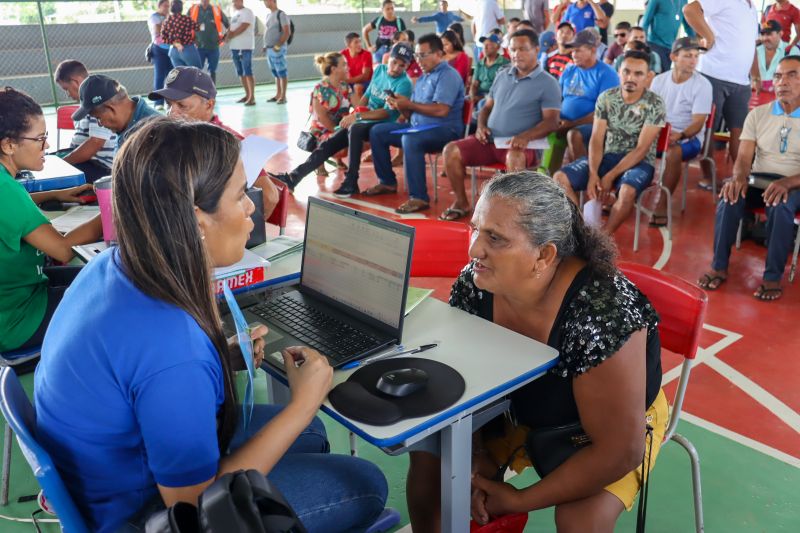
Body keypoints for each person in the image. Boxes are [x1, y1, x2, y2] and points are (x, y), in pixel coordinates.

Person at [33, 117, 388, 533]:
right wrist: (303, 402)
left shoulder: (114, 265)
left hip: (106, 476)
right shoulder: (171, 346)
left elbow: (140, 373)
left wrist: (219, 360)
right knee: (364, 481)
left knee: (310, 432)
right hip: (140, 515)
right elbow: (196, 508)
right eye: (240, 196)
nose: (252, 206)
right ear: (197, 220)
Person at [407, 171, 666, 533]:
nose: (474, 250)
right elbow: (467, 377)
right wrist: (475, 454)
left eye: (495, 238)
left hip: (592, 430)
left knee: (581, 522)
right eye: (475, 229)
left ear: (544, 255)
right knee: (432, 462)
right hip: (516, 405)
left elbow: (619, 451)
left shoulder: (603, 315)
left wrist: (519, 499)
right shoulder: (476, 285)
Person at [0, 87, 102, 354]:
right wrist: (109, 212)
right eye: (40, 139)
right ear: (9, 145)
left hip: (16, 292)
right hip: (16, 319)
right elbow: (63, 250)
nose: (46, 146)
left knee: (96, 276)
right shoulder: (5, 189)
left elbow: (14, 205)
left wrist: (55, 194)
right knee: (110, 295)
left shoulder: (5, 183)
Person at [698, 56, 800, 302]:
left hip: (795, 183)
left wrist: (787, 183)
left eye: (792, 75)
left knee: (780, 204)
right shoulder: (758, 114)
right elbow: (744, 158)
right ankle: (718, 266)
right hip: (760, 179)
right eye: (778, 76)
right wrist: (738, 178)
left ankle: (772, 277)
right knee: (730, 196)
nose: (782, 82)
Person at [441, 29, 561, 221]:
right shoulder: (503, 75)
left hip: (522, 146)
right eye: (513, 49)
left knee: (515, 157)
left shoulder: (548, 83)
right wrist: (481, 126)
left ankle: (514, 216)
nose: (516, 54)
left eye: (523, 49)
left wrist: (525, 137)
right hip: (489, 140)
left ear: (536, 49)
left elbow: (552, 122)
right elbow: (487, 108)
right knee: (450, 150)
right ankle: (461, 202)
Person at [269, 43, 414, 198]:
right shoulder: (379, 70)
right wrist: (357, 113)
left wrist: (356, 117)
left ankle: (351, 180)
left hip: (380, 123)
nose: (396, 68)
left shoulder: (404, 83)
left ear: (407, 66)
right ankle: (293, 178)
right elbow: (367, 96)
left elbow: (385, 113)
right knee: (329, 143)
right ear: (388, 58)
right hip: (362, 120)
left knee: (355, 129)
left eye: (402, 65)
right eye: (394, 62)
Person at [554, 50, 666, 235]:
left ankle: (602, 239)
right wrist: (593, 173)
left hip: (639, 162)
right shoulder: (607, 98)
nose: (631, 78)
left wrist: (609, 177)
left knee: (627, 192)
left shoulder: (655, 104)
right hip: (608, 156)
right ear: (619, 72)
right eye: (626, 71)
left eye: (638, 74)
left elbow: (641, 149)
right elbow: (597, 139)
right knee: (560, 178)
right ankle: (582, 231)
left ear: (648, 77)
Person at [148, 66, 279, 218]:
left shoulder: (232, 143)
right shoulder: (172, 135)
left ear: (209, 105)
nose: (172, 113)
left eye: (182, 106)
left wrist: (228, 228)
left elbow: (269, 196)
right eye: (168, 104)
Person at [366, 33, 465, 214]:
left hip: (444, 130)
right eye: (417, 55)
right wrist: (401, 105)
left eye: (423, 55)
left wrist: (409, 104)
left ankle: (419, 197)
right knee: (378, 131)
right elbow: (411, 114)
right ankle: (387, 182)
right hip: (418, 127)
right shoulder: (423, 78)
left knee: (411, 139)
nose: (418, 60)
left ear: (438, 54)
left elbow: (442, 110)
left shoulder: (448, 75)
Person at [683, 0, 759, 191]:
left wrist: (756, 74)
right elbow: (690, 9)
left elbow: (750, 45)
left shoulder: (752, 8)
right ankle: (708, 177)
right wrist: (708, 37)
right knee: (708, 129)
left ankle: (741, 178)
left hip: (741, 80)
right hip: (713, 74)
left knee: (741, 131)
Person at [650, 37, 713, 225]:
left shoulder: (703, 85)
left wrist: (679, 135)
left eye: (695, 56)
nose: (693, 61)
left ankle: (662, 204)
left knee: (673, 152)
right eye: (687, 56)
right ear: (673, 57)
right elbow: (651, 114)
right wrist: (654, 133)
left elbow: (698, 123)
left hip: (689, 138)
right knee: (628, 142)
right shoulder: (659, 81)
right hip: (659, 133)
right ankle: (622, 193)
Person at [554, 29, 619, 164]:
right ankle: (546, 173)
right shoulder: (569, 70)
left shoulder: (607, 73)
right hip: (565, 123)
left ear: (593, 50)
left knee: (574, 134)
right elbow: (556, 99)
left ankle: (581, 173)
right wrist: (555, 119)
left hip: (596, 125)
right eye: (572, 51)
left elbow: (604, 112)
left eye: (578, 50)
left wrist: (571, 124)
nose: (573, 54)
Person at [53, 60, 117, 183]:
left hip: (100, 166)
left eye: (66, 89)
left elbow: (95, 142)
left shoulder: (97, 100)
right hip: (87, 162)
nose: (67, 94)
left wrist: (64, 163)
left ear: (76, 81)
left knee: (52, 175)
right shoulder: (86, 104)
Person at [72, 75, 161, 152]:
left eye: (98, 118)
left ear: (110, 108)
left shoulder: (154, 130)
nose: (100, 124)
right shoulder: (128, 124)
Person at [307, 52, 352, 178]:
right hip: (323, 129)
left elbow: (358, 104)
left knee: (358, 137)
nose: (347, 68)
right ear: (334, 69)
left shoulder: (345, 86)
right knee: (342, 142)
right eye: (344, 65)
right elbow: (322, 118)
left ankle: (338, 159)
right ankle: (319, 162)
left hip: (340, 125)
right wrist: (338, 132)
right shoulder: (321, 88)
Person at [641, 0, 694, 71]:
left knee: (666, 72)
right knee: (658, 72)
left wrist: (694, 42)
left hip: (671, 47)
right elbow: (645, 22)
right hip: (655, 44)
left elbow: (687, 26)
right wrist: (643, 43)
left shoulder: (683, 1)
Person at [188, 0, 230, 83]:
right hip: (198, 47)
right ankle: (198, 90)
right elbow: (185, 24)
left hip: (214, 47)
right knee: (197, 70)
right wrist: (191, 39)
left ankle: (211, 90)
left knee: (212, 71)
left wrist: (225, 38)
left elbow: (228, 25)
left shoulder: (216, 10)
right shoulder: (192, 9)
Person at [226, 0, 256, 106]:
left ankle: (252, 97)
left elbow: (244, 26)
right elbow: (231, 28)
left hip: (245, 47)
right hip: (234, 47)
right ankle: (247, 95)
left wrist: (231, 35)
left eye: (235, 0)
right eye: (232, 1)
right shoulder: (234, 13)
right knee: (240, 72)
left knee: (247, 71)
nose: (233, 2)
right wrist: (226, 36)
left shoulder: (247, 12)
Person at [470, 32, 510, 109]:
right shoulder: (480, 63)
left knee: (482, 104)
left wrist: (482, 97)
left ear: (497, 47)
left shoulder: (505, 63)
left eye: (489, 45)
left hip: (495, 96)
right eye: (484, 45)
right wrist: (472, 96)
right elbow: (474, 84)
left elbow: (502, 88)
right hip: (479, 93)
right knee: (465, 100)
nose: (485, 47)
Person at [262, 0, 291, 104]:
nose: (264, 2)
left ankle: (283, 96)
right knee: (276, 73)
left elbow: (287, 32)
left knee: (281, 72)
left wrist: (278, 45)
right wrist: (266, 45)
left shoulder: (281, 15)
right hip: (270, 49)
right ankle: (278, 94)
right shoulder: (268, 15)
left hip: (277, 49)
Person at [147, 0, 173, 109]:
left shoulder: (170, 16)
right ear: (159, 6)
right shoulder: (154, 17)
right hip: (158, 49)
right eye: (165, 6)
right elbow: (157, 30)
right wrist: (169, 25)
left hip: (171, 49)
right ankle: (158, 102)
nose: (167, 8)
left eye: (169, 6)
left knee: (171, 76)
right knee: (159, 76)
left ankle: (170, 102)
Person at [161, 0, 202, 68]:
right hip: (187, 49)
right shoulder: (186, 19)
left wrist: (175, 43)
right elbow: (198, 27)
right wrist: (204, 24)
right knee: (197, 71)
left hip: (173, 51)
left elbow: (163, 38)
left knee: (181, 73)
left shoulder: (166, 21)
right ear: (181, 8)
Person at [754, 20, 786, 96]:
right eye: (762, 34)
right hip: (756, 97)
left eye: (769, 34)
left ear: (780, 34)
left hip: (782, 98)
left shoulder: (791, 50)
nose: (765, 38)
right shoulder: (755, 51)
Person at [341, 32, 373, 99]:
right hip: (351, 81)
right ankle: (345, 104)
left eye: (360, 41)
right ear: (348, 45)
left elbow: (365, 76)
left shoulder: (366, 54)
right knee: (340, 86)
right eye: (356, 42)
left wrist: (346, 81)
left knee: (357, 87)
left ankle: (360, 105)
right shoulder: (343, 54)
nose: (359, 44)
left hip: (367, 82)